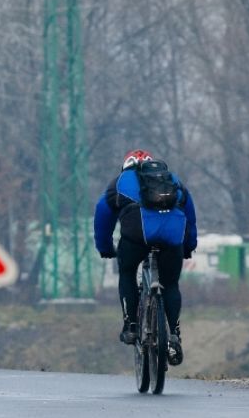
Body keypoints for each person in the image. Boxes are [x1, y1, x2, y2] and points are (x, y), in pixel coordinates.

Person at [93, 149, 197, 366]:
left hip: (136, 238)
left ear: (126, 165)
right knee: (170, 284)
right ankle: (174, 334)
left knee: (128, 272)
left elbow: (103, 212)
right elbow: (189, 213)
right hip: (171, 240)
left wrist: (105, 247)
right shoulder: (173, 179)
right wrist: (188, 245)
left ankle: (130, 325)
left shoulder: (120, 182)